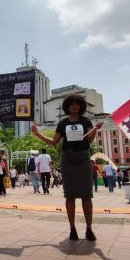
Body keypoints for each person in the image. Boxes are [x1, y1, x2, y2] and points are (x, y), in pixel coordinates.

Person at [31, 95, 101, 241]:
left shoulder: (85, 121)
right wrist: (37, 134)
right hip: (68, 160)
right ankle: (72, 229)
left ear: (81, 106)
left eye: (77, 104)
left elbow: (89, 139)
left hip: (83, 159)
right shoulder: (62, 123)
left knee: (86, 195)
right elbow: (53, 142)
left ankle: (89, 229)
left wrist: (95, 129)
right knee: (69, 195)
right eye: (71, 105)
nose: (74, 107)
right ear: (67, 107)